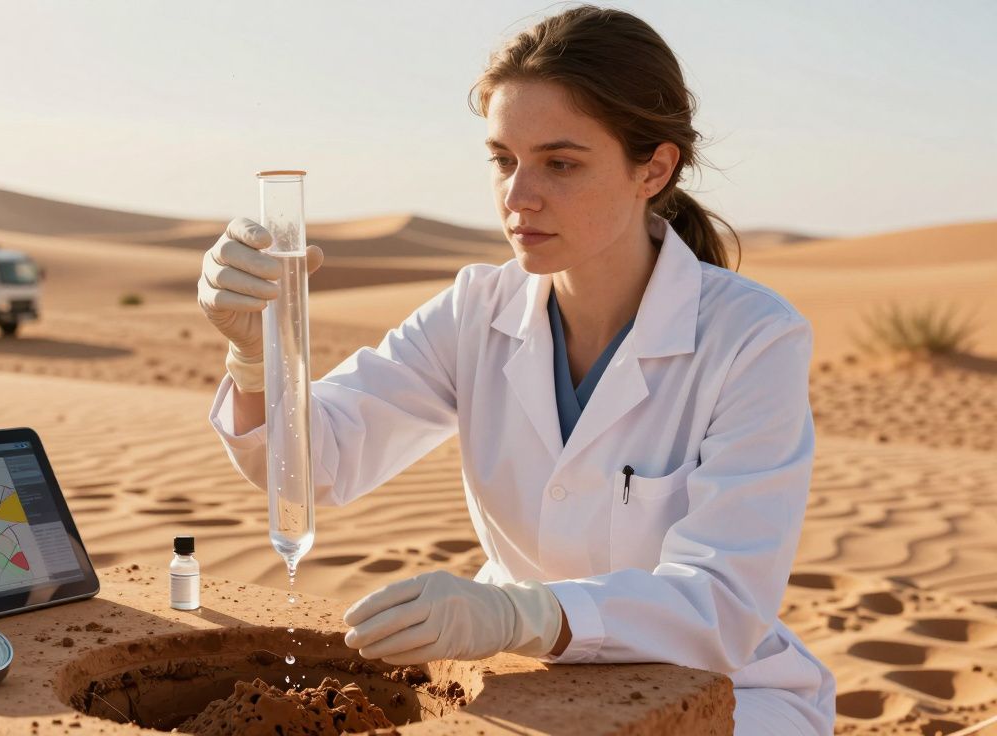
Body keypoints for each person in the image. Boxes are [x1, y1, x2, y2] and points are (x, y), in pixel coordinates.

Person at [197, 6, 835, 734]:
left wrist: (518, 612)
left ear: (653, 169)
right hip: (523, 684)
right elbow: (318, 466)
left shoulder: (753, 337)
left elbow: (719, 609)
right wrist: (255, 355)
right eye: (503, 159)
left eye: (560, 164)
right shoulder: (476, 308)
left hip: (724, 696)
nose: (516, 195)